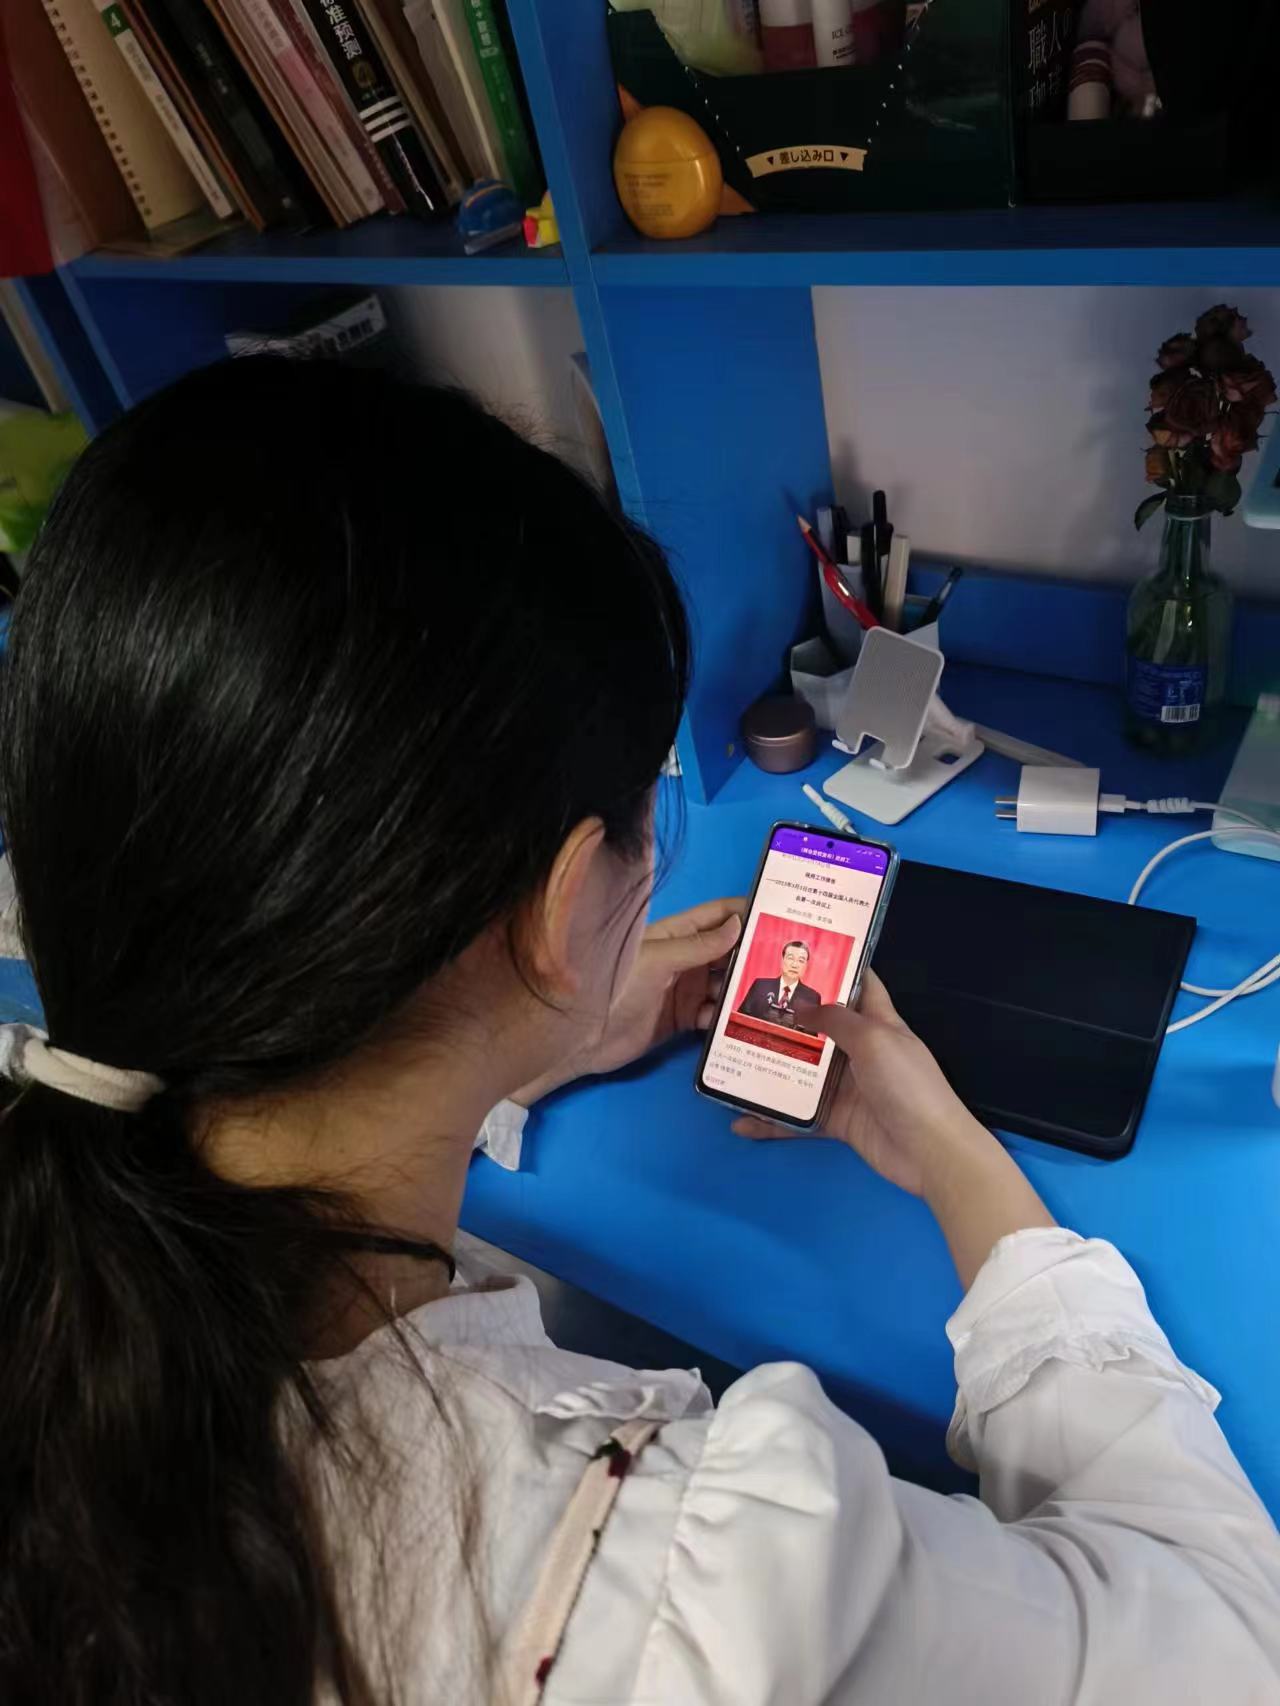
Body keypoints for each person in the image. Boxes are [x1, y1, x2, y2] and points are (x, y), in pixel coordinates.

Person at [0, 357, 1277, 1706]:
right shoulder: (687, 1584)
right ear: (562, 904)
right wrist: (956, 1158)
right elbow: (1234, 1640)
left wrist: (523, 1039)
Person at [736, 937, 822, 1023]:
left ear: (806, 965)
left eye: (801, 961)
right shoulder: (760, 986)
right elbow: (740, 1019)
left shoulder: (812, 998)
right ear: (782, 960)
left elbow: (810, 1030)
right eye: (790, 958)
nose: (794, 965)